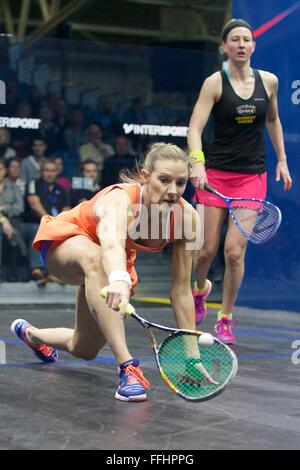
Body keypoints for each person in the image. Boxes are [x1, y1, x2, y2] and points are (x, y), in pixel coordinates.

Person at [10, 143, 201, 402]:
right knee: (98, 257)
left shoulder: (187, 219)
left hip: (106, 265)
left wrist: (192, 357)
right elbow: (110, 242)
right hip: (65, 243)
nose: (172, 191)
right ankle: (128, 367)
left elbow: (181, 291)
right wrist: (119, 278)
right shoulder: (120, 200)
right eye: (164, 180)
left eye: (180, 183)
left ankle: (31, 335)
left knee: (84, 347)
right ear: (146, 177)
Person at [187, 18, 293, 344]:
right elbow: (194, 128)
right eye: (235, 40)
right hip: (215, 176)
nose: (242, 44)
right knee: (205, 251)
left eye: (247, 39)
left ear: (253, 46)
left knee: (234, 253)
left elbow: (273, 120)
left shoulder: (270, 82)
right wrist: (198, 165)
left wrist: (283, 161)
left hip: (251, 178)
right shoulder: (214, 84)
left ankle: (226, 316)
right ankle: (200, 290)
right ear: (225, 47)